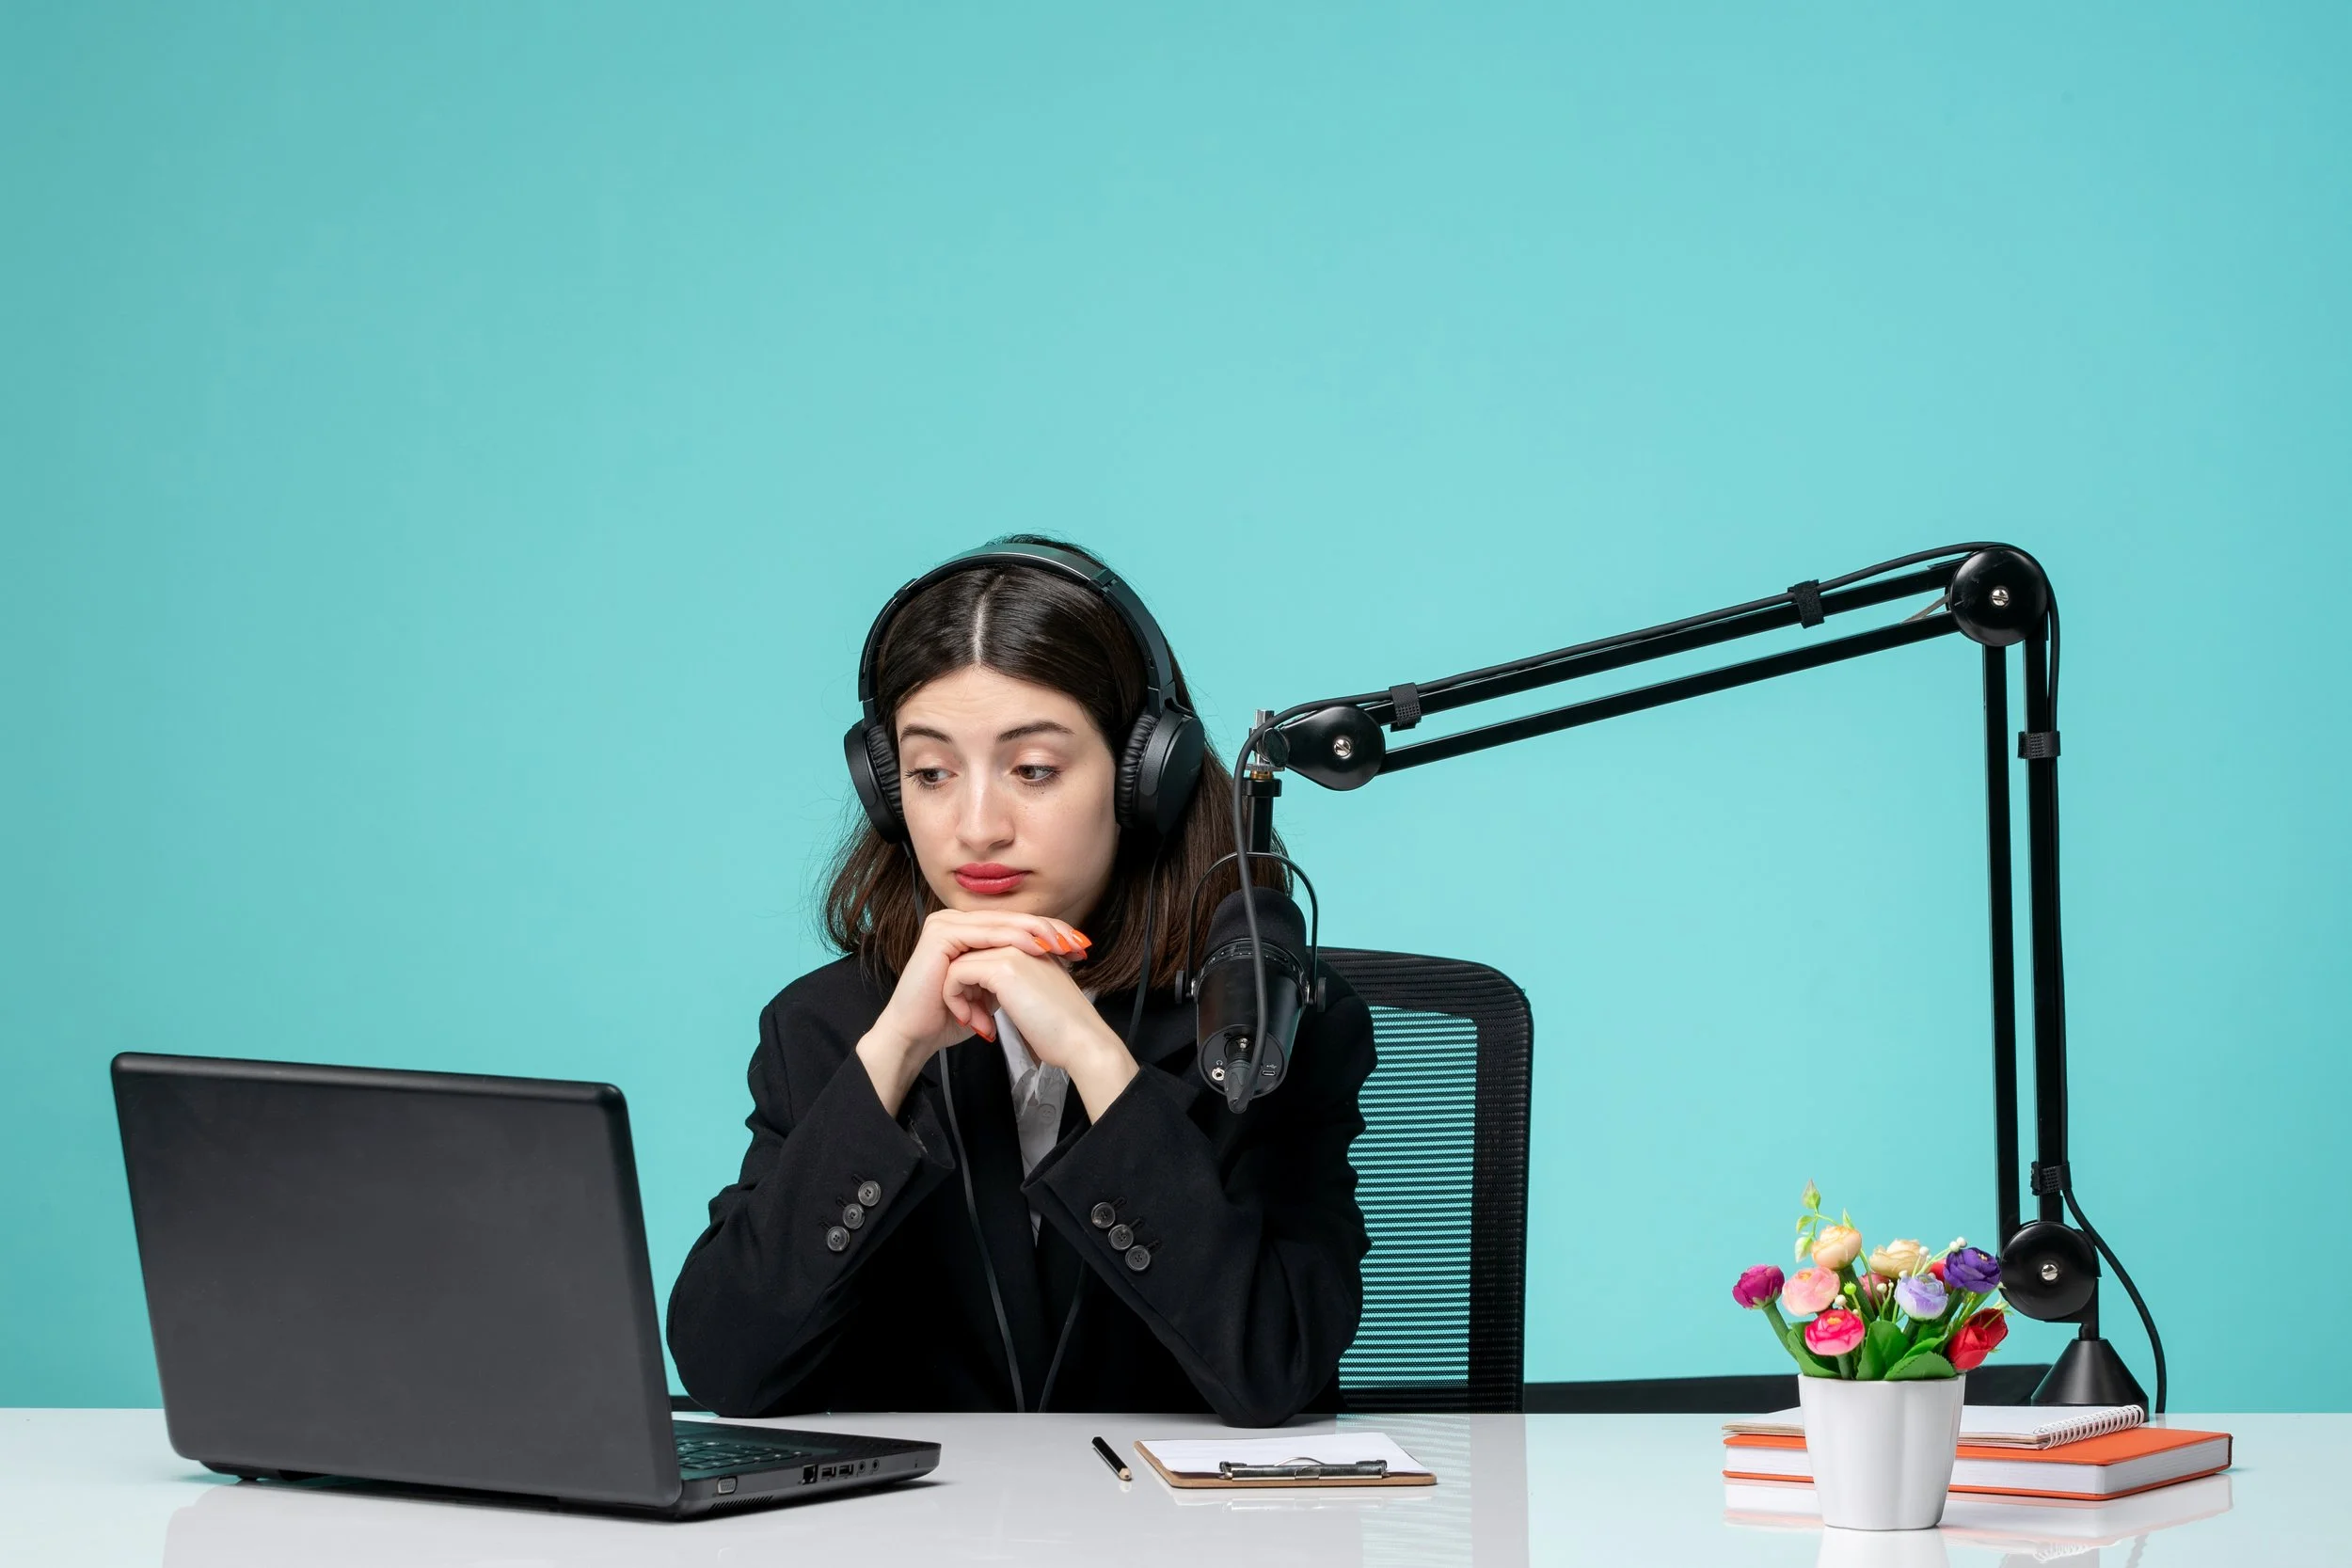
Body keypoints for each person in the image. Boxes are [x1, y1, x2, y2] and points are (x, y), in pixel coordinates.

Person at [665, 538, 1375, 1426]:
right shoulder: (824, 1025)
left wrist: (1093, 1057)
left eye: (1033, 769)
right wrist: (889, 1057)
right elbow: (725, 1366)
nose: (976, 827)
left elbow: (1274, 1368)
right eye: (929, 774)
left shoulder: (1263, 1019)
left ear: (1144, 775)